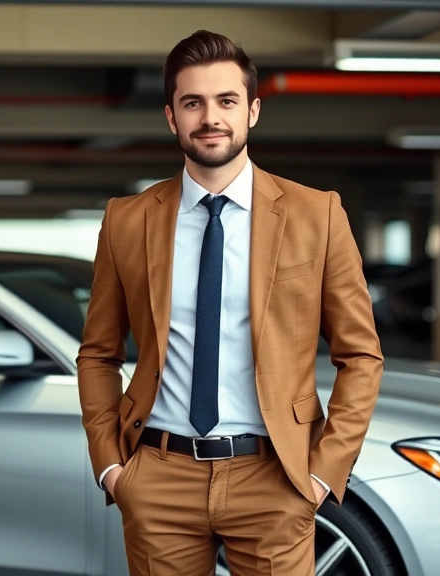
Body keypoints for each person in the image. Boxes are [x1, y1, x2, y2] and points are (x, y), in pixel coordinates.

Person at [76, 29, 383, 575]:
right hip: (159, 476)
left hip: (274, 477)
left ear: (253, 111)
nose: (210, 117)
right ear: (172, 116)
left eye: (226, 101)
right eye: (192, 102)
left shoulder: (318, 214)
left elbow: (360, 355)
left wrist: (321, 472)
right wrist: (112, 468)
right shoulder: (127, 220)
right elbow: (98, 354)